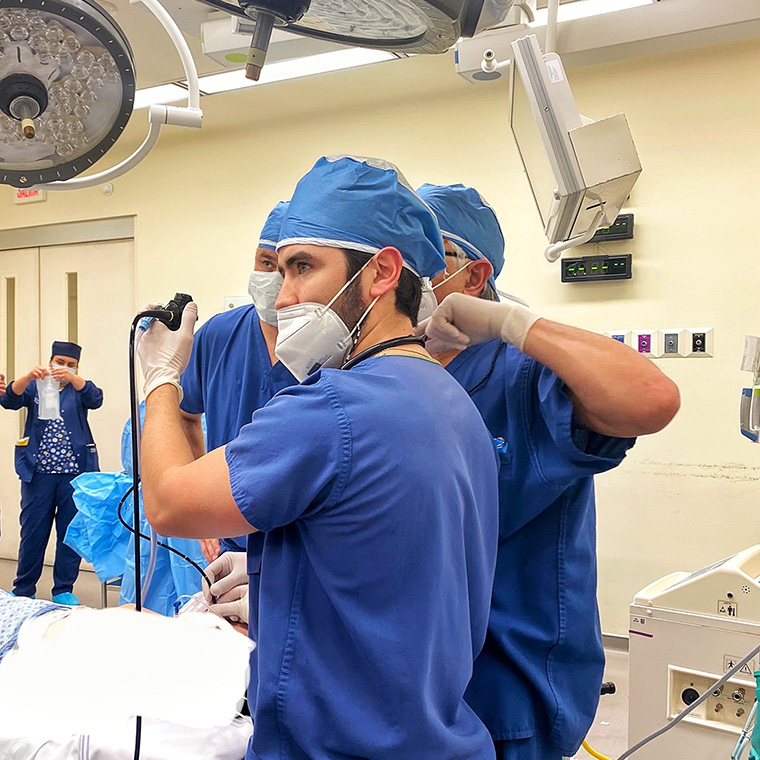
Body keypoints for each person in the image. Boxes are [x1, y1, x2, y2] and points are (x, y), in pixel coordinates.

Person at [137, 155, 500, 760]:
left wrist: (160, 379)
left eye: (302, 267)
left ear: (382, 271)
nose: (284, 297)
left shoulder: (331, 409)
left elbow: (170, 502)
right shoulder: (447, 399)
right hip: (430, 733)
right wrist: (271, 579)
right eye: (278, 270)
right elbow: (386, 567)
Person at [416, 182, 681, 760]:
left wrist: (513, 323)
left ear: (473, 276)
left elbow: (650, 397)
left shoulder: (521, 375)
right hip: (411, 668)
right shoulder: (392, 373)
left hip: (508, 678)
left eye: (426, 256)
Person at [179, 201, 297, 625]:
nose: (276, 280)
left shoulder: (330, 349)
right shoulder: (218, 335)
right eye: (266, 263)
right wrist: (202, 512)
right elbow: (186, 415)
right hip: (228, 547)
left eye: (292, 268)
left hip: (300, 548)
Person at [0, 342, 103, 605]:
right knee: (33, 531)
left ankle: (63, 589)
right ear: (49, 361)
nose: (64, 368)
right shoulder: (36, 386)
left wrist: (75, 379)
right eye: (60, 362)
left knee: (70, 533)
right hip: (38, 474)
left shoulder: (79, 389)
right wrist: (27, 377)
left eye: (71, 364)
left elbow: (97, 398)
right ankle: (24, 588)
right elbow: (9, 400)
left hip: (75, 475)